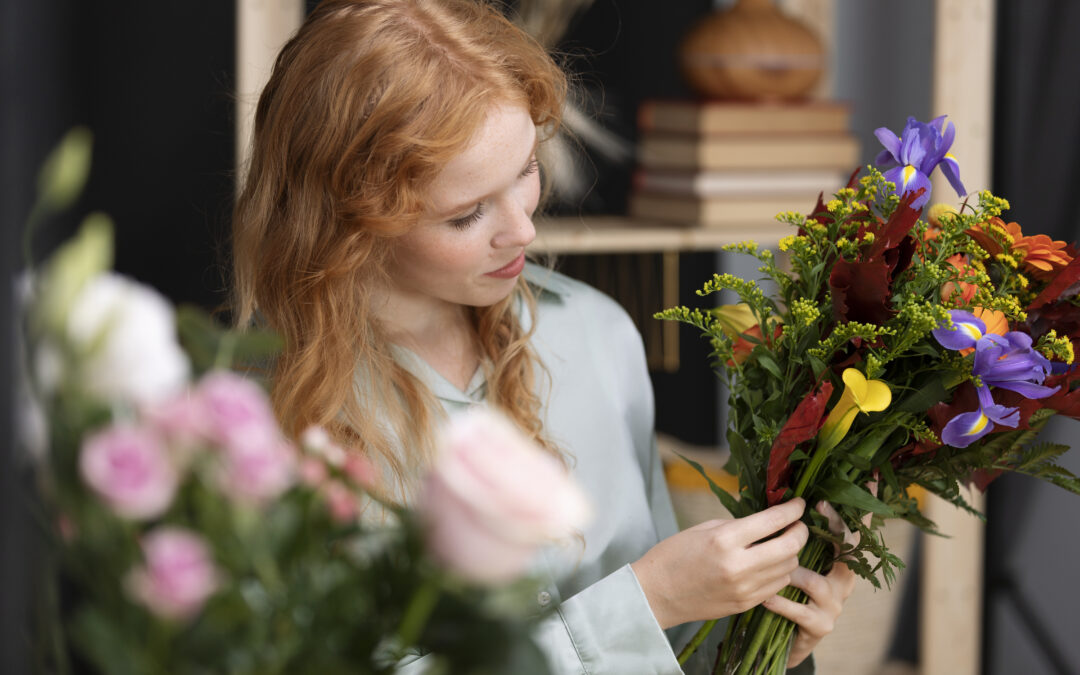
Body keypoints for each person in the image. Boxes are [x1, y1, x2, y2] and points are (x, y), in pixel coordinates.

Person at [231, 1, 857, 672]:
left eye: (526, 169)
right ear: (350, 221)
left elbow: (670, 654)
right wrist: (645, 601)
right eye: (467, 214)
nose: (523, 229)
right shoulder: (256, 418)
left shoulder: (596, 334)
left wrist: (765, 651)